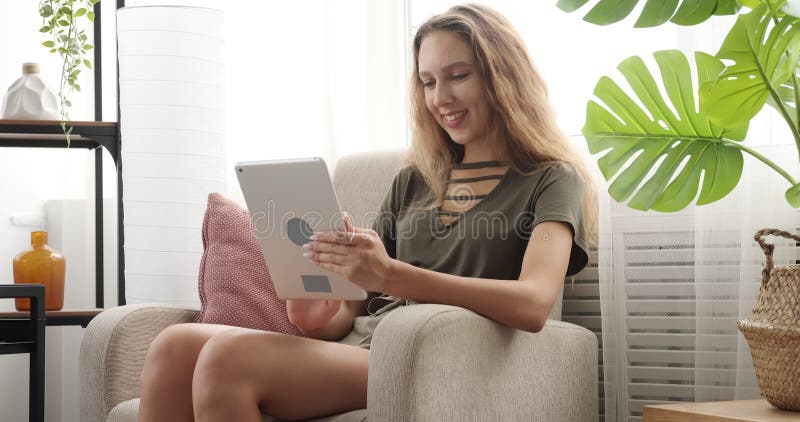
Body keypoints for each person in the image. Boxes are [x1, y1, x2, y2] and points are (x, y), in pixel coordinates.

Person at [138, 3, 596, 421]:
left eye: (459, 76)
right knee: (174, 346)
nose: (440, 98)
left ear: (502, 77)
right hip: (361, 345)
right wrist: (319, 313)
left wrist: (392, 274)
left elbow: (535, 303)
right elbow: (362, 304)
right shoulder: (413, 180)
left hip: (428, 356)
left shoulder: (552, 179)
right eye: (429, 81)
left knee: (225, 359)